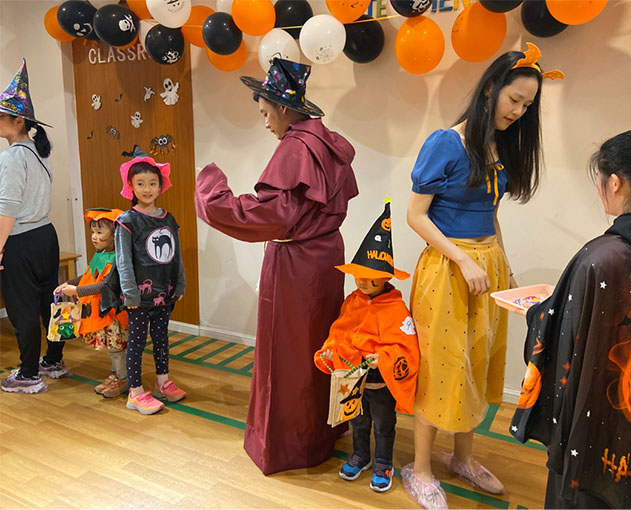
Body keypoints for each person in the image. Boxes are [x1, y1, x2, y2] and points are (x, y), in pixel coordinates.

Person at [403, 43, 564, 508]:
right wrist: (463, 259)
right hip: (448, 269)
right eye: (515, 99)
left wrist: (503, 264)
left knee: (476, 364)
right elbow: (416, 215)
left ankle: (462, 459)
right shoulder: (445, 142)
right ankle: (419, 469)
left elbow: (492, 214)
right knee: (441, 369)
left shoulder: (499, 145)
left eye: (527, 105)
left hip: (485, 265)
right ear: (490, 88)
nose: (519, 111)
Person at [194, 58, 359, 475]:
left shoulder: (296, 147)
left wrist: (211, 190)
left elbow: (269, 215)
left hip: (296, 265)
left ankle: (290, 446)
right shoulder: (326, 142)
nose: (266, 123)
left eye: (266, 112)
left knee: (287, 353)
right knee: (317, 345)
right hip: (326, 259)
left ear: (284, 108)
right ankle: (322, 430)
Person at [510, 130, 631, 509]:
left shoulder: (602, 258)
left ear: (614, 183)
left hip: (592, 423)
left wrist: (537, 313)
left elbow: (562, 336)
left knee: (580, 498)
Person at [314, 199, 419, 493]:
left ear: (385, 277)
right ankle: (361, 455)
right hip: (354, 379)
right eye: (359, 275)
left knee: (384, 424)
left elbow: (406, 348)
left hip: (381, 382)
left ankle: (384, 462)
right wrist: (330, 351)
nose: (362, 281)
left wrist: (383, 357)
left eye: (370, 278)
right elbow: (340, 332)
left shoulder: (397, 309)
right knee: (358, 420)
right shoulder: (353, 302)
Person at [0, 59, 70, 394]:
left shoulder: (12, 157)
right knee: (48, 302)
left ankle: (28, 374)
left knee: (23, 307)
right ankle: (53, 360)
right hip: (46, 236)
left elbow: (8, 208)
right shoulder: (40, 153)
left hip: (21, 240)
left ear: (19, 121)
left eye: (2, 116)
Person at [115, 146, 186, 415]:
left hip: (164, 293)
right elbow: (123, 261)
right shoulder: (127, 221)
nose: (147, 189)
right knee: (137, 342)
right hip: (139, 297)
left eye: (152, 183)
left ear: (160, 185)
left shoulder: (168, 218)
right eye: (141, 183)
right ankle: (135, 393)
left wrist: (180, 284)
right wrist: (130, 293)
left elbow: (175, 255)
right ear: (131, 186)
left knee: (161, 339)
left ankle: (162, 382)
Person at [53, 208, 129, 398]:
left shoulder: (119, 258)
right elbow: (89, 275)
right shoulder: (101, 253)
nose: (94, 237)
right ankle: (116, 375)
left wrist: (77, 291)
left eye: (99, 232)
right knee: (112, 347)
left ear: (115, 234)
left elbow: (104, 285)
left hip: (114, 312)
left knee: (117, 347)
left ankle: (124, 379)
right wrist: (68, 283)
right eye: (92, 232)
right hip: (101, 310)